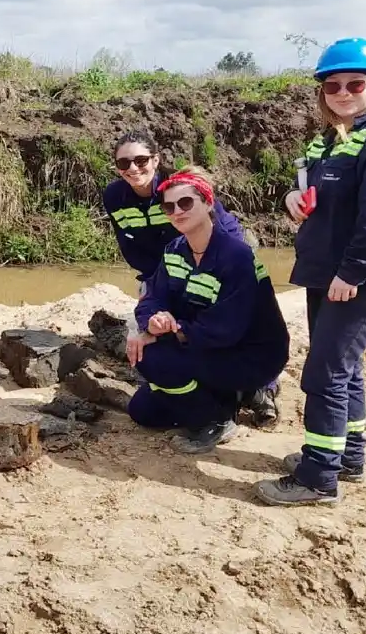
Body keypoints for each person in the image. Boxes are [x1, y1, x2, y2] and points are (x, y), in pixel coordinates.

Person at [254, 37, 366, 507]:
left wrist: (352, 273)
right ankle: (346, 456)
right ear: (322, 92)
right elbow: (319, 197)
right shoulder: (330, 141)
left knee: (324, 373)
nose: (343, 92)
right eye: (333, 85)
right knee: (343, 370)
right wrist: (293, 200)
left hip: (361, 278)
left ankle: (317, 478)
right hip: (326, 271)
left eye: (355, 83)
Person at [103, 130, 281, 427]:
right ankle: (201, 384)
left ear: (156, 160)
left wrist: (219, 268)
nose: (133, 168)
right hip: (171, 264)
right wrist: (156, 288)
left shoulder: (179, 190)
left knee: (232, 324)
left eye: (141, 160)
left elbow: (221, 231)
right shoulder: (115, 196)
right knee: (162, 331)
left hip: (211, 261)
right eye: (124, 164)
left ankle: (261, 388)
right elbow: (129, 241)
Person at [125, 167, 291, 453]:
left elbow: (225, 328)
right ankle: (228, 397)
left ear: (208, 203)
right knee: (143, 411)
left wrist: (166, 334)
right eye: (169, 206)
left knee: (152, 358)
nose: (177, 211)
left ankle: (215, 420)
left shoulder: (236, 256)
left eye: (186, 203)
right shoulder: (175, 250)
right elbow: (153, 296)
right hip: (209, 347)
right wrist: (151, 321)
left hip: (251, 355)